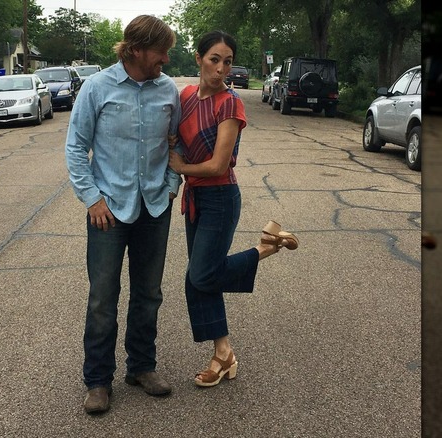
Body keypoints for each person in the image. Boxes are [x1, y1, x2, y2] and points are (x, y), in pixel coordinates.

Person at [167, 30, 298, 388]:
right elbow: (176, 137)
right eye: (214, 60)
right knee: (199, 280)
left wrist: (180, 168)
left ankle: (265, 247)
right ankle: (223, 355)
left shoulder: (230, 103)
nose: (221, 69)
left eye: (227, 61)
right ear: (198, 58)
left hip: (220, 197)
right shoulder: (186, 96)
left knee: (201, 276)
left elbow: (218, 165)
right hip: (196, 199)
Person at [65, 15, 181, 415]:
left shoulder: (168, 91)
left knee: (149, 294)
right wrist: (92, 199)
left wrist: (170, 187)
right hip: (108, 212)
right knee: (102, 298)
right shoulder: (97, 87)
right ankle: (98, 380)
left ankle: (142, 367)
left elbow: (175, 145)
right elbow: (75, 147)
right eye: (161, 50)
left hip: (154, 207)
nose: (166, 58)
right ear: (135, 49)